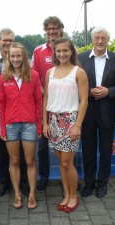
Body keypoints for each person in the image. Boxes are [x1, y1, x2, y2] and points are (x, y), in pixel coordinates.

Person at [78, 26, 115, 198]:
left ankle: (103, 183)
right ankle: (89, 182)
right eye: (97, 38)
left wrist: (108, 91)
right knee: (88, 150)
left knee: (106, 150)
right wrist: (89, 91)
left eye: (103, 38)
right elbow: (75, 82)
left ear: (108, 40)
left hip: (108, 111)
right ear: (92, 39)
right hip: (87, 110)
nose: (100, 41)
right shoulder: (81, 58)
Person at [43, 37, 88, 213]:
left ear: (72, 52)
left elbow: (84, 100)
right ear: (55, 53)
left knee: (68, 162)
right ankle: (67, 194)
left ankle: (74, 196)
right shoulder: (50, 72)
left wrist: (77, 125)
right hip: (53, 121)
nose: (62, 54)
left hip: (70, 121)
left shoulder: (79, 72)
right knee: (61, 162)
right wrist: (44, 122)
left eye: (65, 51)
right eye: (58, 51)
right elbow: (46, 97)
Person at [0, 42, 42, 209]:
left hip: (29, 124)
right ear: (8, 58)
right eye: (13, 56)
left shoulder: (34, 75)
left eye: (19, 56)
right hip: (11, 125)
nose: (16, 59)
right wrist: (2, 128)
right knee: (14, 160)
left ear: (24, 57)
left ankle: (31, 193)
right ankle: (17, 194)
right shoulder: (4, 77)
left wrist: (39, 125)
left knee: (30, 161)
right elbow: (1, 104)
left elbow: (39, 102)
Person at [0, 28, 29, 196]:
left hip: (21, 115)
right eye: (4, 40)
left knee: (23, 152)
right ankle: (3, 182)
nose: (7, 42)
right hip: (1, 114)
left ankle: (24, 182)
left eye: (11, 40)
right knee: (2, 151)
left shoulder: (23, 63)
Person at [31, 16, 64, 190]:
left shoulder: (68, 48)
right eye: (48, 29)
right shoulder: (38, 51)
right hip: (45, 105)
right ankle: (44, 177)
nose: (52, 32)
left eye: (55, 28)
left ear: (60, 29)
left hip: (64, 104)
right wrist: (41, 90)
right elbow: (33, 75)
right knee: (43, 146)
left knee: (65, 144)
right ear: (45, 31)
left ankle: (66, 176)